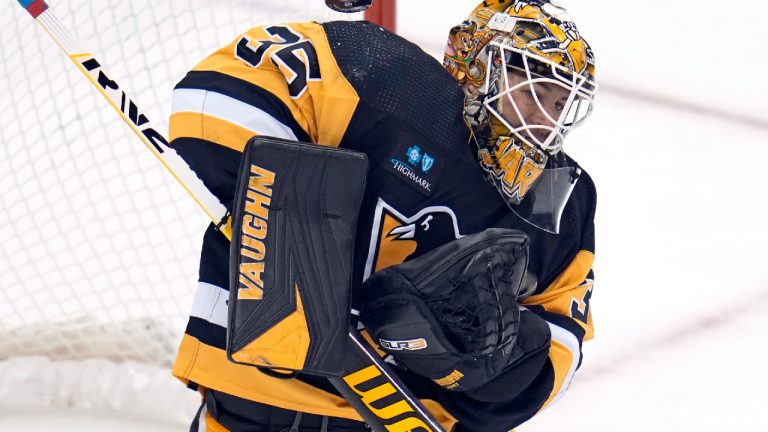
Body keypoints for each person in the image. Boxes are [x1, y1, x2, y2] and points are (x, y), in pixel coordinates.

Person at [167, 0, 597, 430]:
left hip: (393, 416)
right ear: (479, 64)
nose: (546, 121)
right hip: (251, 391)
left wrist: (497, 364)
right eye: (534, 93)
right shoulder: (386, 80)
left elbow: (564, 334)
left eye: (560, 104)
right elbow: (212, 93)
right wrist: (284, 220)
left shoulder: (557, 197)